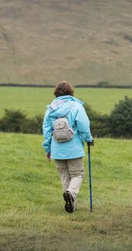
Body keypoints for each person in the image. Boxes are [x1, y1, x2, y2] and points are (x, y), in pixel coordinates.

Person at [42, 80, 93, 213]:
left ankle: (71, 204)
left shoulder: (50, 109)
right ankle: (71, 193)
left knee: (65, 176)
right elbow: (83, 126)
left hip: (57, 149)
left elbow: (47, 131)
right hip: (74, 148)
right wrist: (89, 139)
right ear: (71, 92)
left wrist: (48, 149)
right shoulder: (76, 106)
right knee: (77, 174)